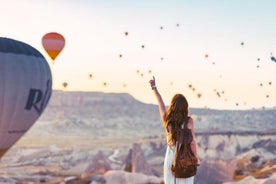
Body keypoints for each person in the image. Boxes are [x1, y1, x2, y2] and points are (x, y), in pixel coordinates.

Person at [149, 76, 200, 184]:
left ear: (172, 106)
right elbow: (192, 142)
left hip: (171, 158)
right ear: (185, 107)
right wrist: (196, 158)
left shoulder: (167, 120)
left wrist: (154, 88)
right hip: (186, 159)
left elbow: (161, 104)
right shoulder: (189, 121)